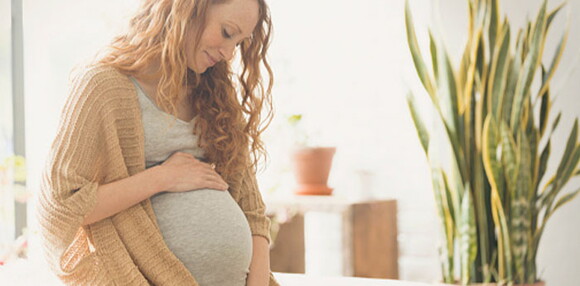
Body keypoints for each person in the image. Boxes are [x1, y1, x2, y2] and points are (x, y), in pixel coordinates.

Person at [36, 0, 278, 285]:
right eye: (227, 32)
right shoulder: (102, 87)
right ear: (188, 9)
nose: (227, 54)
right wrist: (163, 177)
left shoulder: (217, 96)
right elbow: (62, 207)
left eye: (238, 43)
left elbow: (252, 209)